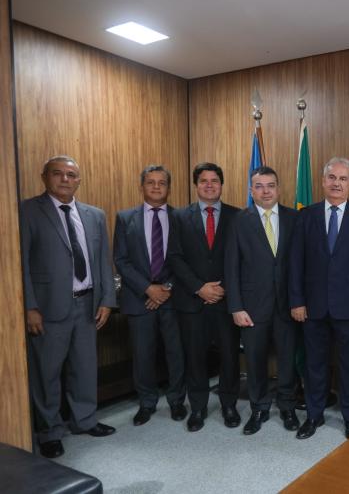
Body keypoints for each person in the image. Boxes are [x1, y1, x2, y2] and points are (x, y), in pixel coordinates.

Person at [21, 155, 117, 459]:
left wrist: (107, 299)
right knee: (46, 373)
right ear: (44, 177)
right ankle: (49, 431)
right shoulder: (27, 211)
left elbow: (103, 261)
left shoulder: (94, 215)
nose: (65, 179)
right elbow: (20, 264)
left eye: (71, 175)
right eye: (58, 173)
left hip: (87, 304)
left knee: (84, 368)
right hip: (47, 308)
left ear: (79, 180)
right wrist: (29, 306)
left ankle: (84, 420)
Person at [289, 157, 349, 440]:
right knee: (314, 365)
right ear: (323, 181)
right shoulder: (306, 216)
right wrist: (297, 301)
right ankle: (314, 415)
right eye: (332, 177)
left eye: (343, 179)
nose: (336, 183)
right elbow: (296, 263)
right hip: (312, 307)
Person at [225, 166, 300, 435]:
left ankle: (288, 406)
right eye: (259, 186)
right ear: (251, 190)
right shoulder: (238, 221)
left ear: (278, 189)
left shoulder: (295, 218)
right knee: (255, 360)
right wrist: (236, 307)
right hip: (252, 307)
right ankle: (259, 407)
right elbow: (231, 266)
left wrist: (300, 301)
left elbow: (302, 264)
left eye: (270, 185)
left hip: (288, 305)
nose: (265, 191)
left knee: (288, 360)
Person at [168, 163, 240, 432]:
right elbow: (174, 257)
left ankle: (229, 404)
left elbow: (241, 258)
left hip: (226, 301)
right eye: (203, 181)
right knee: (195, 356)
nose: (209, 185)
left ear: (221, 184)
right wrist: (199, 288)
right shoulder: (179, 217)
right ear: (196, 185)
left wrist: (224, 289)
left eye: (214, 181)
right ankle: (197, 407)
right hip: (192, 301)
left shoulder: (237, 216)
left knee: (230, 356)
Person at [114, 165, 186, 425]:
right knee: (142, 354)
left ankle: (177, 401)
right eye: (150, 182)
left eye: (162, 182)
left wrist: (167, 288)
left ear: (169, 187)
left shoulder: (181, 218)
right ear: (141, 186)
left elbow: (187, 259)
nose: (156, 187)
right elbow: (121, 260)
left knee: (176, 353)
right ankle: (146, 402)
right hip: (139, 297)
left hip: (173, 298)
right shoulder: (125, 218)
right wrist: (148, 288)